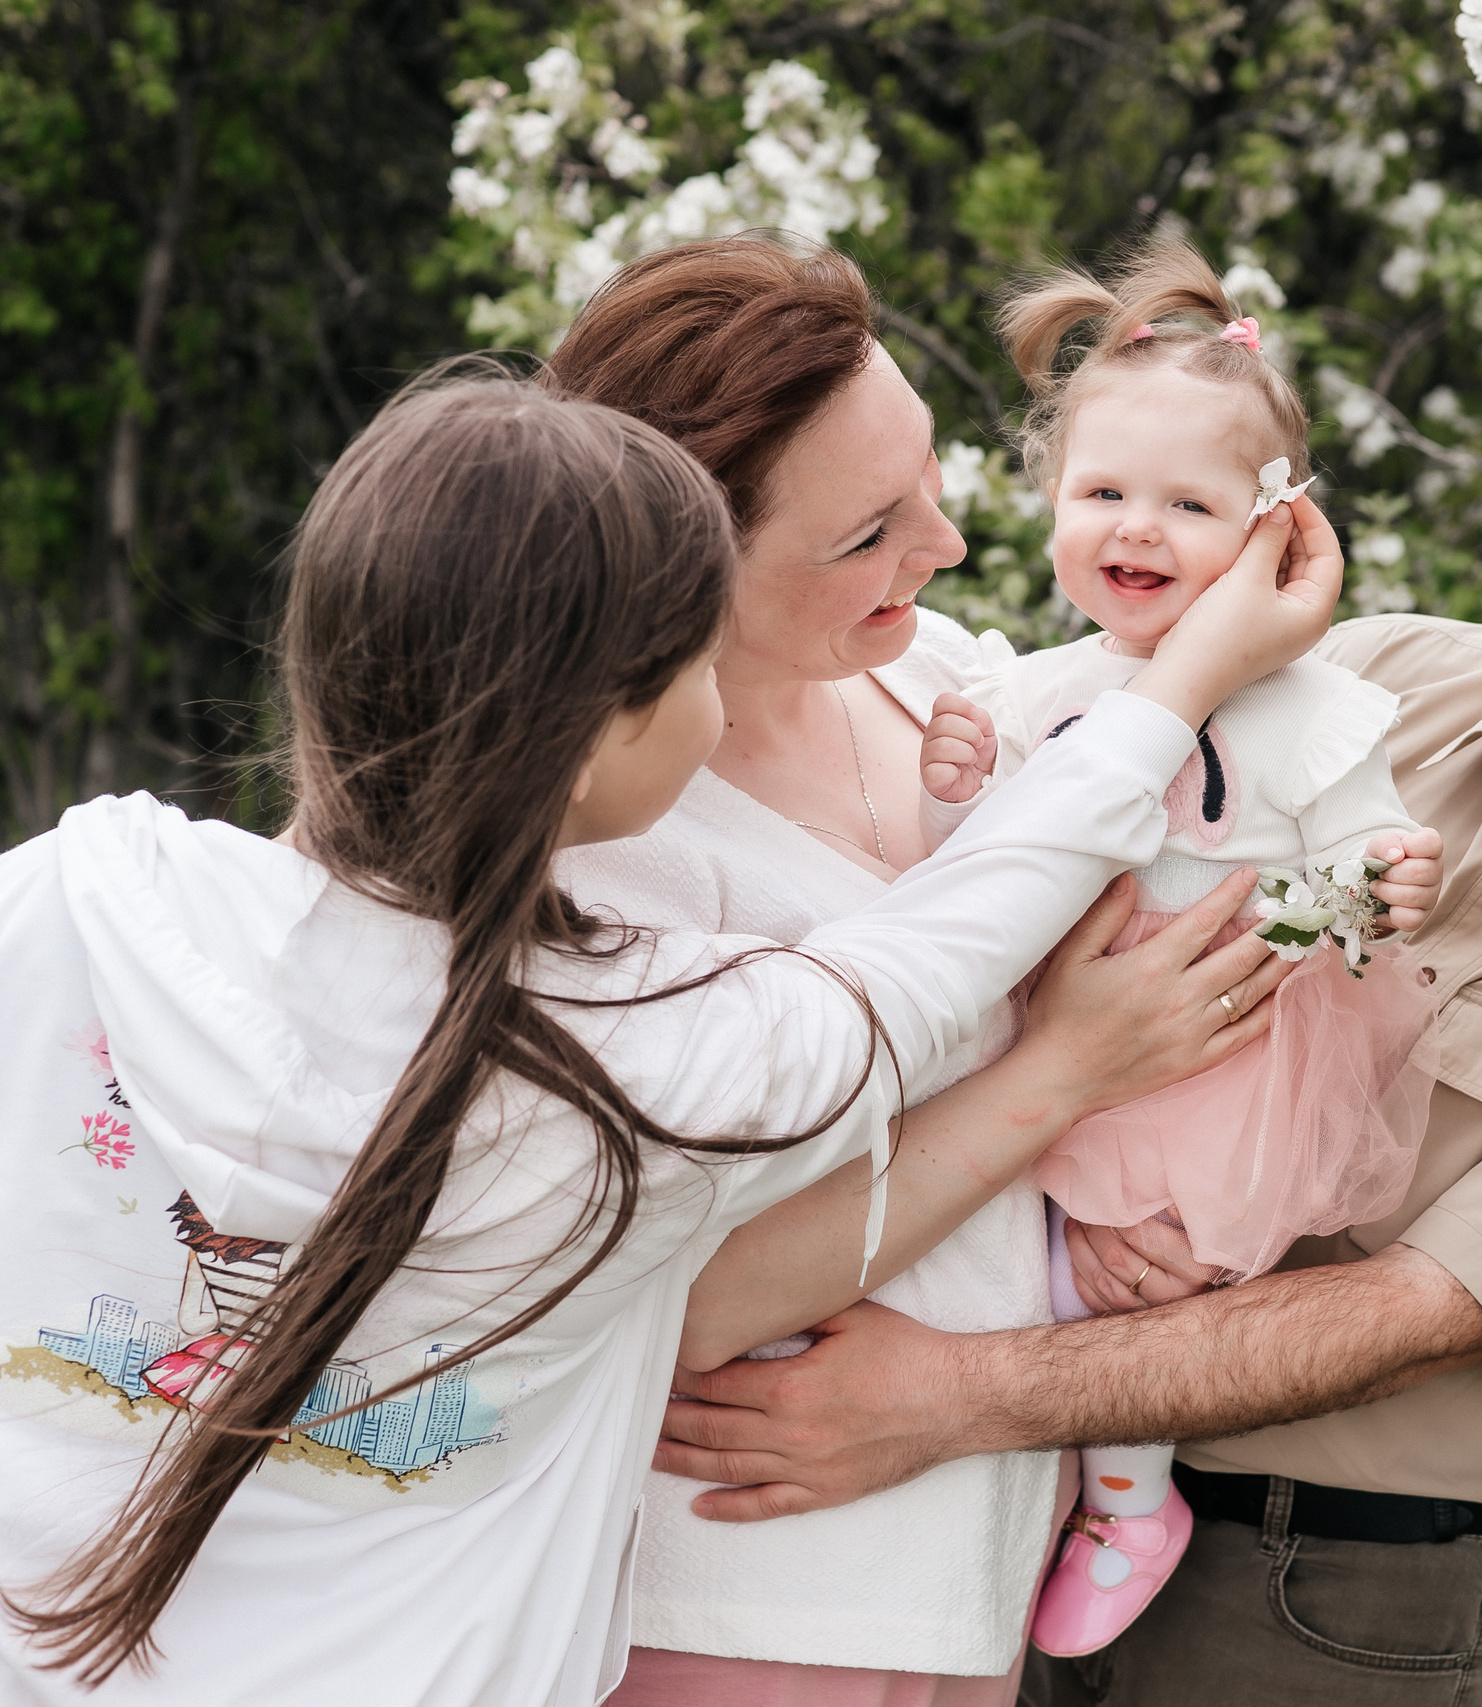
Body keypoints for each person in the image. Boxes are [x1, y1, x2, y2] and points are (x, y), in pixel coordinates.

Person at [0, 365, 1337, 1704]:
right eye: (689, 671)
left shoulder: (56, 902)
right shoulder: (647, 1064)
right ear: (605, 724)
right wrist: (1190, 675)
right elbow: (952, 944)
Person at [651, 366, 1482, 1707]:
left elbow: (1415, 1319)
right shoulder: (1389, 678)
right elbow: (1046, 923)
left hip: (1329, 1602)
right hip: (1011, 1509)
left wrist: (949, 1397)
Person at [536, 233, 1320, 1705]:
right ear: (679, 553)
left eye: (933, 490)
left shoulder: (937, 670)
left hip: (973, 1560)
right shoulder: (613, 843)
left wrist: (1095, 1229)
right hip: (747, 1588)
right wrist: (1072, 1069)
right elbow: (678, 1299)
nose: (948, 551)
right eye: (870, 533)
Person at [916, 237, 1445, 1657]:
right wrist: (959, 762)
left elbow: (1362, 831)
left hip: (1216, 1047)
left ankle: (1128, 1501)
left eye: (1188, 504)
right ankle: (1039, 1495)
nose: (1136, 530)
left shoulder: (1304, 702)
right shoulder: (1034, 686)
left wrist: (1387, 876)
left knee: (1140, 1275)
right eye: (1103, 494)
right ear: (1049, 503)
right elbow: (964, 859)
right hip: (1053, 1034)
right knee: (1014, 1270)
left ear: (1275, 529)